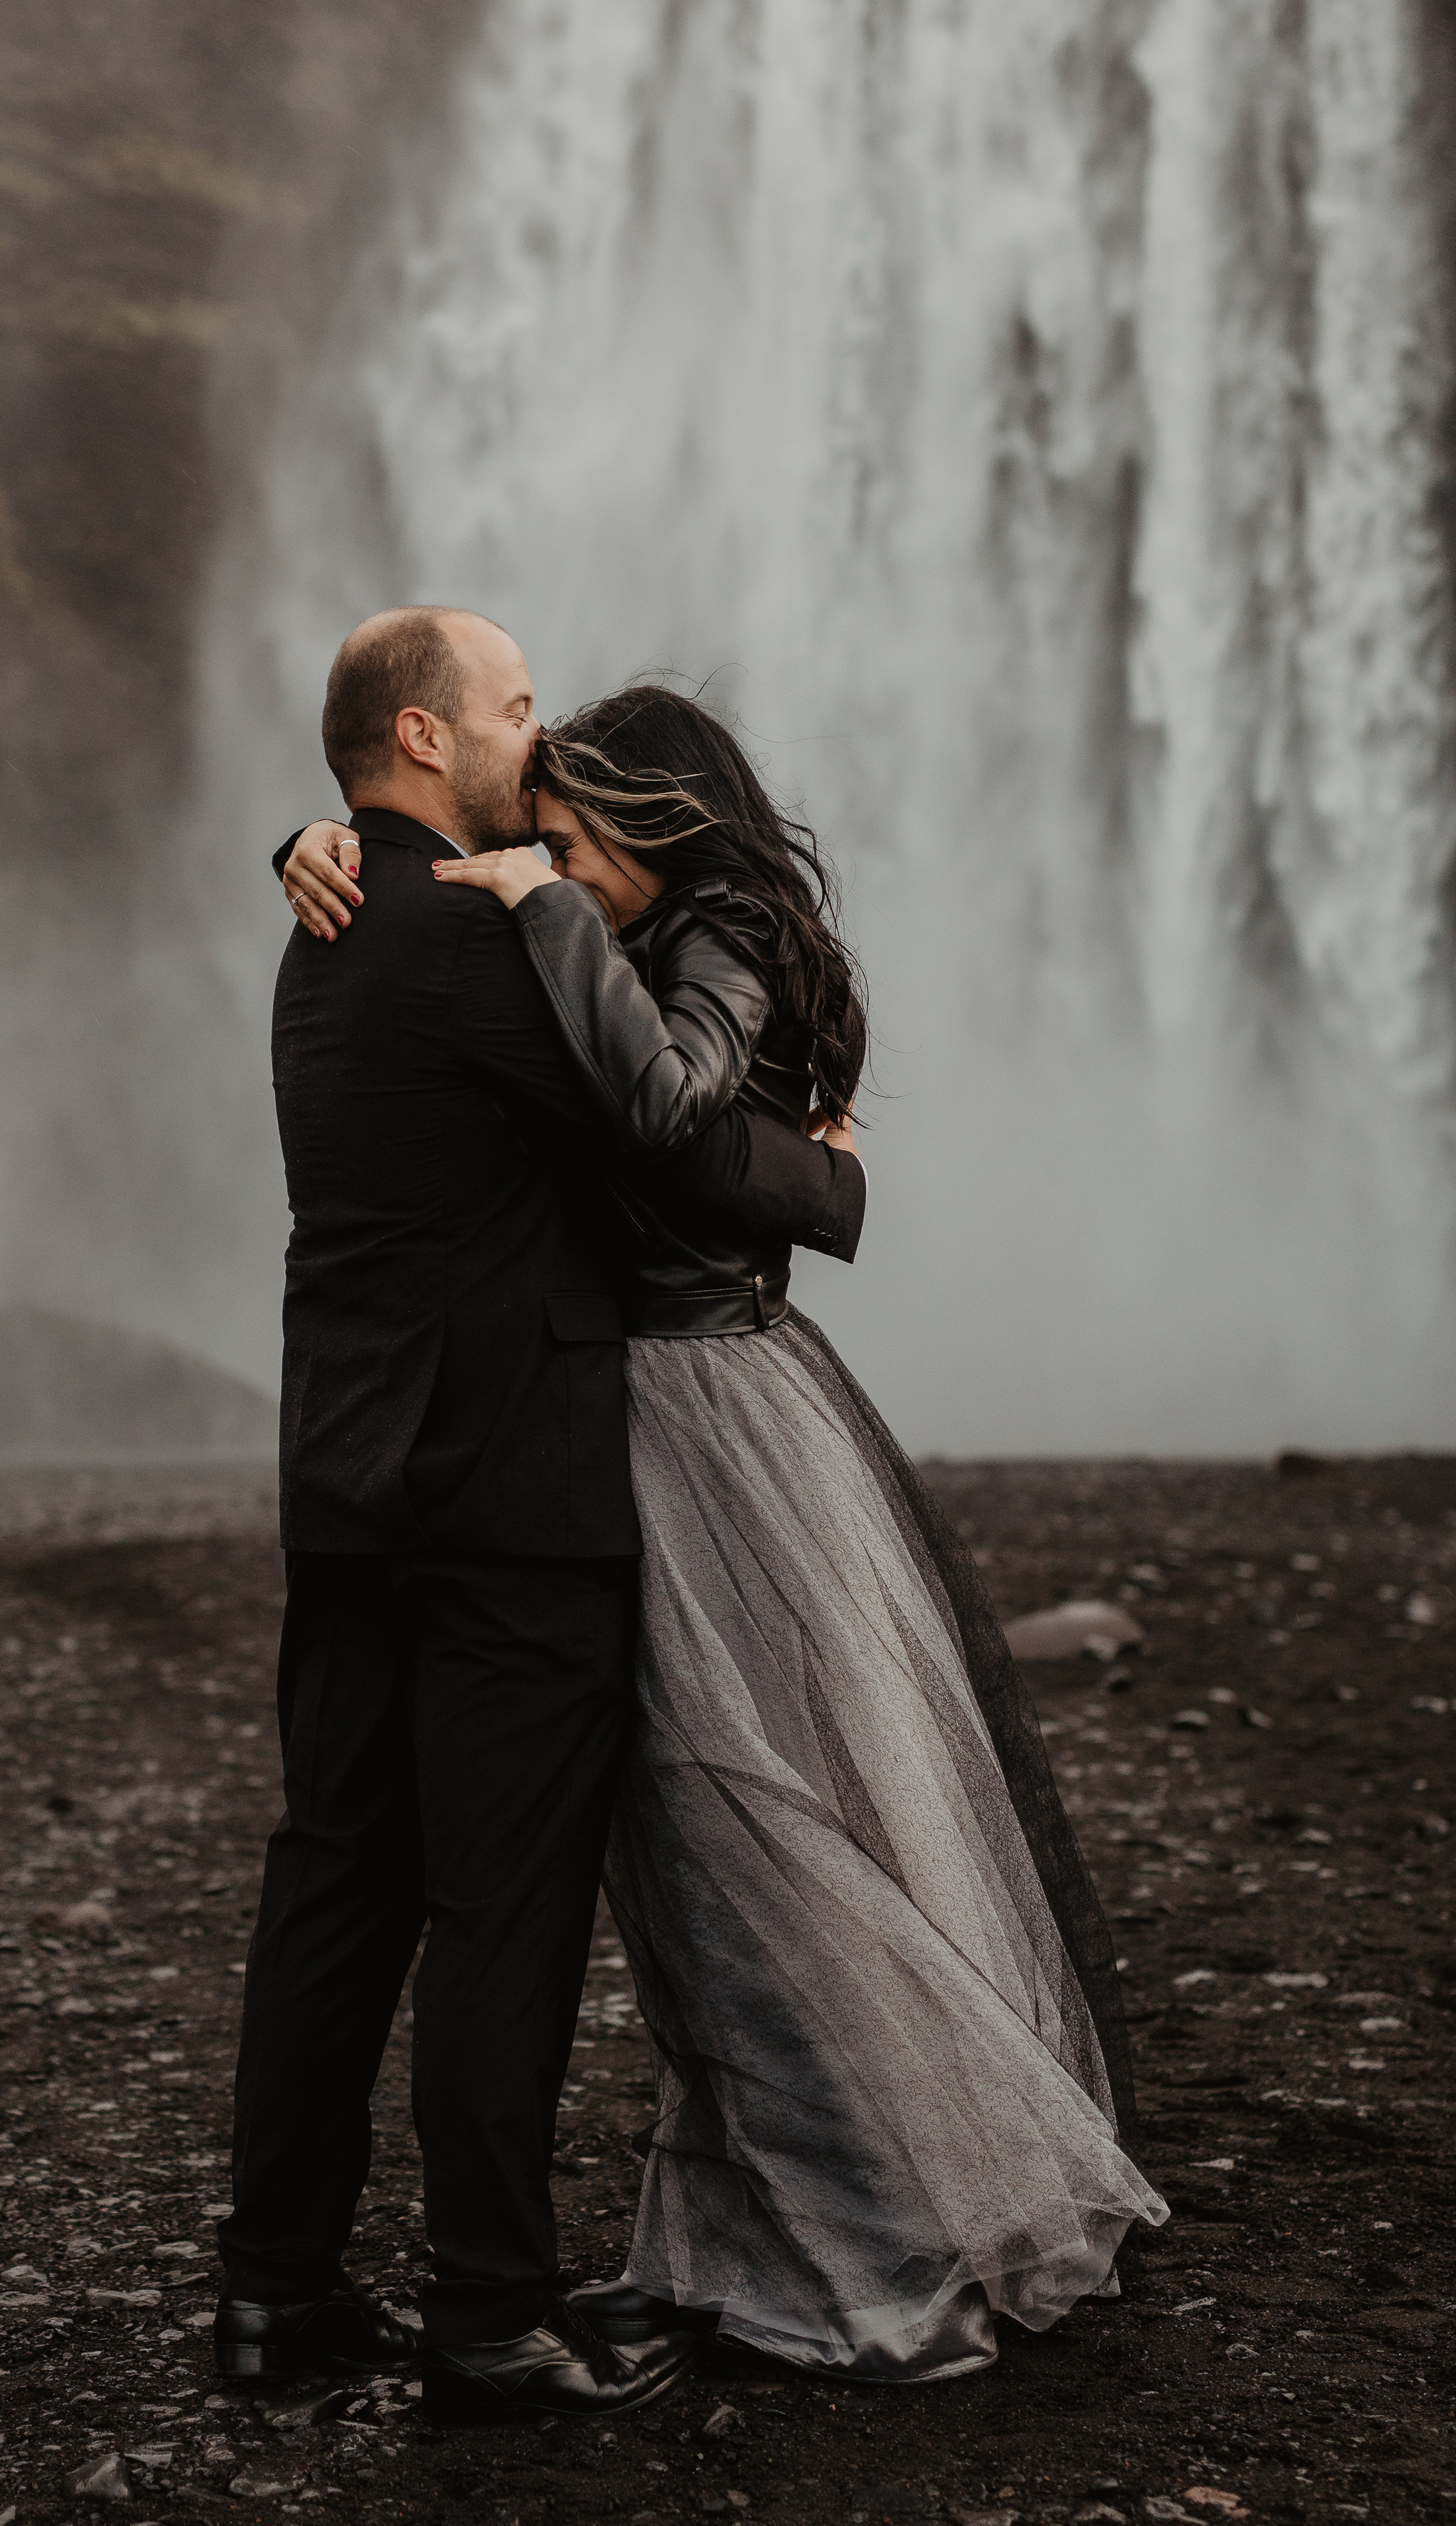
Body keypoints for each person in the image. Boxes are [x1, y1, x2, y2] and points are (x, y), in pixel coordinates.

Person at [279, 682, 1168, 2382]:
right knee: (710, 1836)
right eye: (532, 831)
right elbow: (681, 1128)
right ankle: (768, 2220)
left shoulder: (715, 931)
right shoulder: (642, 922)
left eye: (558, 833)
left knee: (750, 1808)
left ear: (644, 818)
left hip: (698, 1421)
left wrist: (543, 907)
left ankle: (901, 2210)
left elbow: (674, 1117)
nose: (533, 853)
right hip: (653, 1410)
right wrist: (314, 845)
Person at [219, 613, 867, 2426]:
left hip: (342, 1485)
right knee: (500, 1911)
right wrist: (827, 1176)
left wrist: (291, 837)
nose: (538, 735)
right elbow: (663, 1135)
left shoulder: (317, 937)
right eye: (510, 709)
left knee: (334, 1883)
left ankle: (273, 2295)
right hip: (511, 1492)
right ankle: (490, 2316)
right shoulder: (491, 934)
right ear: (423, 738)